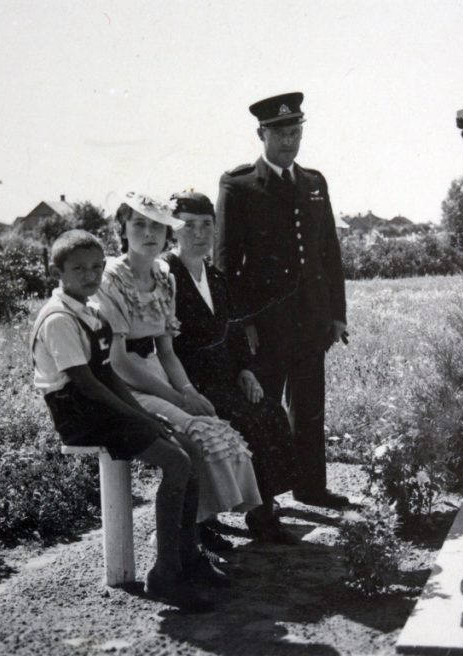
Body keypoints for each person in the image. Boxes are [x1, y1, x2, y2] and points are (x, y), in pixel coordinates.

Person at [30, 229, 216, 610]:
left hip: (102, 404)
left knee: (192, 449)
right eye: (78, 268)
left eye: (97, 267)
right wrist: (139, 417)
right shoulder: (59, 319)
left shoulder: (92, 311)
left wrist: (144, 412)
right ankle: (166, 574)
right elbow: (85, 383)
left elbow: (109, 374)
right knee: (177, 463)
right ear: (58, 272)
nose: (90, 275)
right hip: (78, 411)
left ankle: (189, 556)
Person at [93, 195, 263, 554]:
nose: (149, 233)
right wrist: (177, 399)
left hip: (158, 377)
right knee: (193, 435)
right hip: (121, 385)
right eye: (139, 224)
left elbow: (167, 352)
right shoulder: (111, 279)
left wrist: (188, 391)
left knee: (217, 428)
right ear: (122, 229)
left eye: (156, 225)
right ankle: (175, 543)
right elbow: (121, 362)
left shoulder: (164, 276)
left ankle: (195, 534)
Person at [217, 92, 350, 509]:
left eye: (295, 132)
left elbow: (329, 252)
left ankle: (311, 487)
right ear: (261, 134)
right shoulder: (238, 185)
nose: (289, 141)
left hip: (311, 320)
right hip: (265, 325)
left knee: (309, 408)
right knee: (265, 412)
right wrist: (241, 325)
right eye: (280, 134)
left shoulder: (313, 183)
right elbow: (225, 264)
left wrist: (338, 315)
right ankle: (264, 500)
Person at [162, 190, 300, 545]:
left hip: (224, 379)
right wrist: (184, 393)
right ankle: (202, 521)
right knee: (244, 423)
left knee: (270, 412)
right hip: (187, 385)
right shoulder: (166, 276)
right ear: (172, 230)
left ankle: (263, 512)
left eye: (206, 225)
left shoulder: (217, 277)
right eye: (188, 225)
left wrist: (246, 370)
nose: (198, 233)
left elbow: (233, 329)